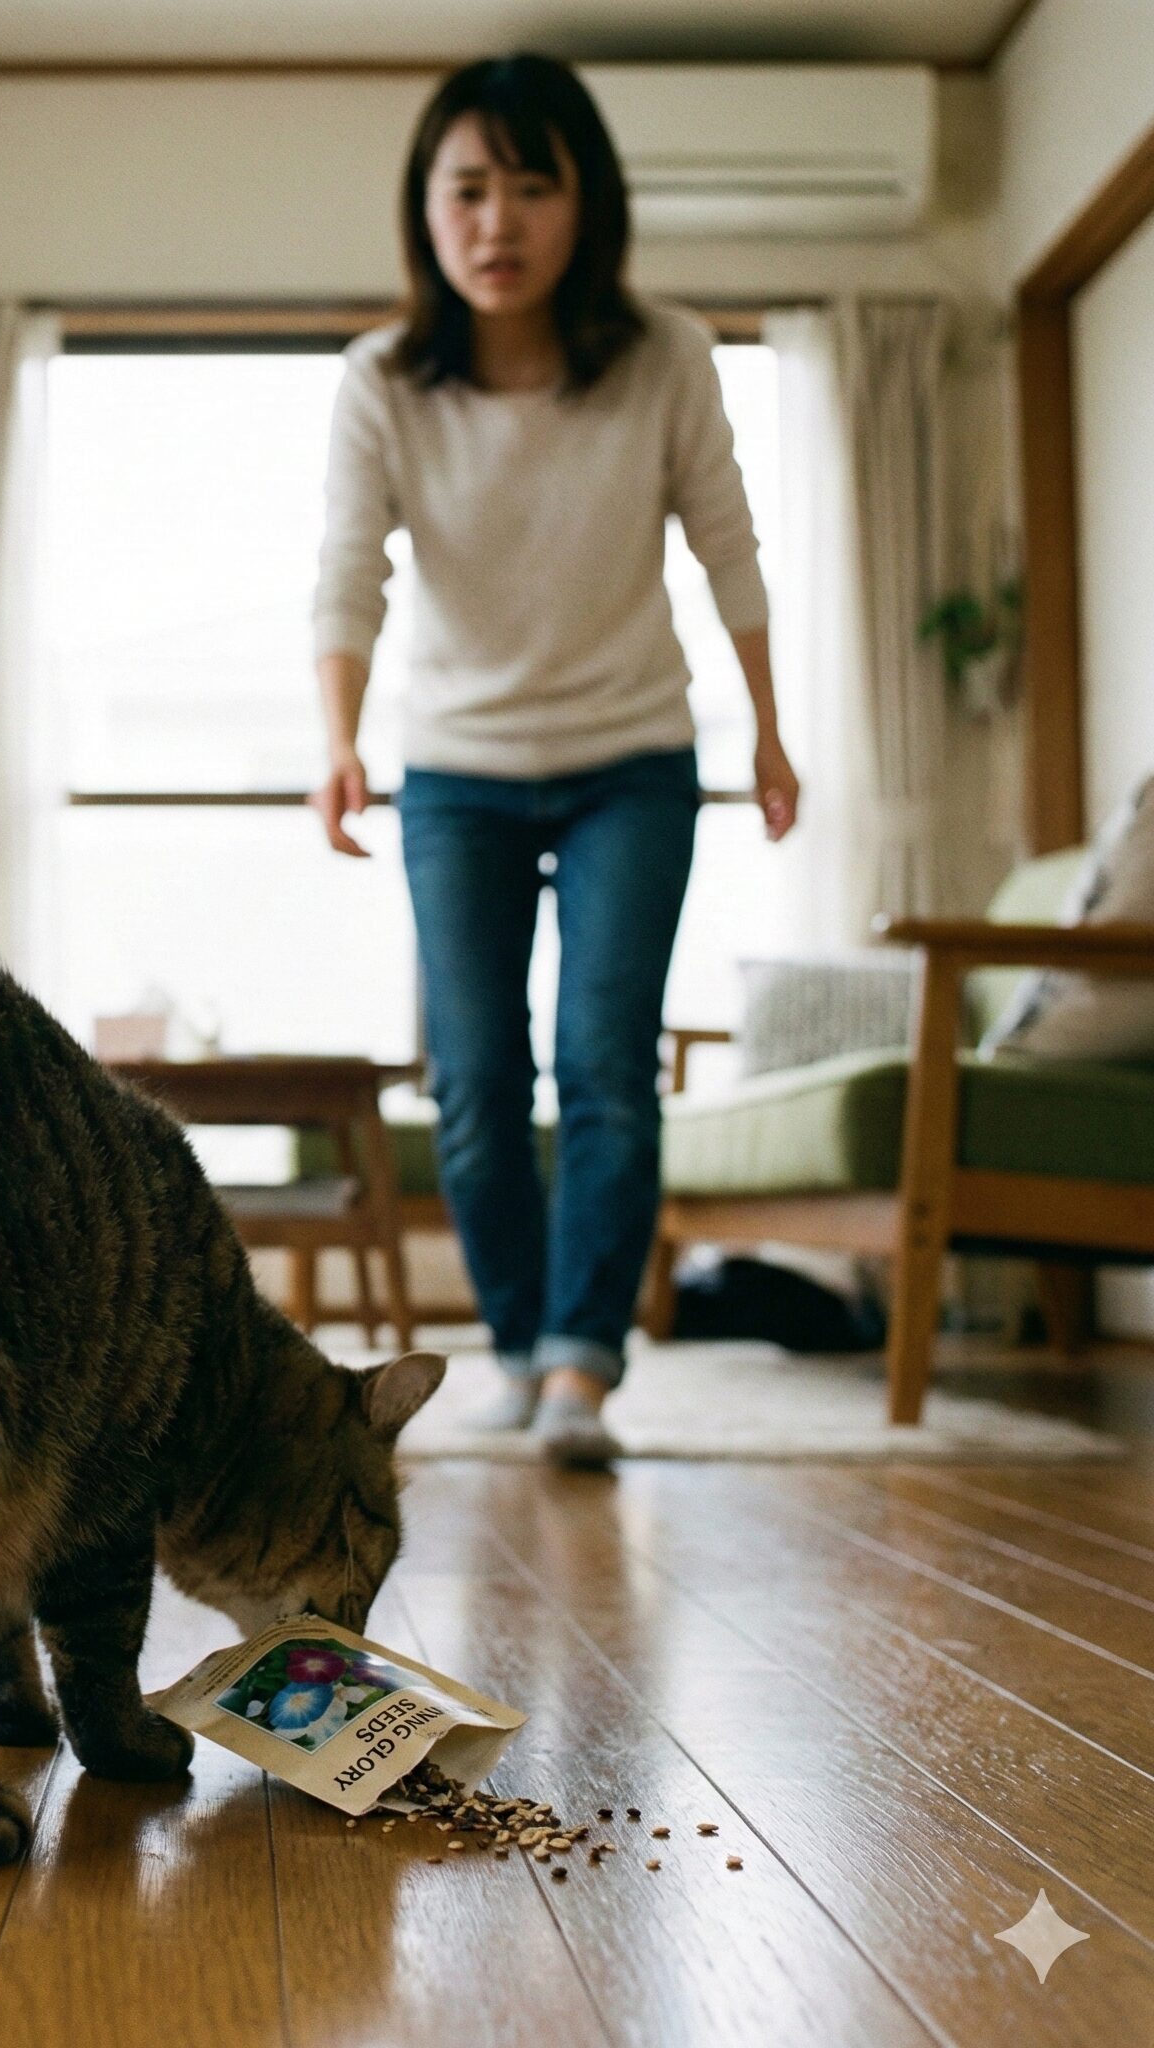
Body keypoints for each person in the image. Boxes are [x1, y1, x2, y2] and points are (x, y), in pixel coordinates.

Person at [309, 54, 798, 1466]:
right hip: (455, 772)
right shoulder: (384, 381)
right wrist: (337, 741)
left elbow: (728, 547)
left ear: (589, 204)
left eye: (533, 186)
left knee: (602, 1061)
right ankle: (518, 1343)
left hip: (629, 759)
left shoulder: (664, 356)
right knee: (473, 1074)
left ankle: (582, 1363)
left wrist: (767, 727)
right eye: (468, 188)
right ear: (428, 209)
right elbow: (349, 573)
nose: (498, 221)